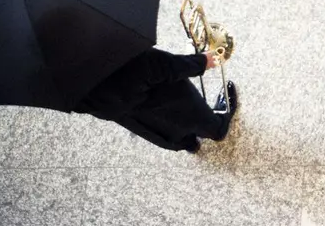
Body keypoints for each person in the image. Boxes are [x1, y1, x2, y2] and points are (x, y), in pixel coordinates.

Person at [73, 48, 238, 153]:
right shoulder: (95, 40)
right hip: (158, 92)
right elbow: (153, 66)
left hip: (105, 105)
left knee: (155, 128)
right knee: (190, 112)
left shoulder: (54, 77)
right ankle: (217, 128)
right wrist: (202, 62)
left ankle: (189, 144)